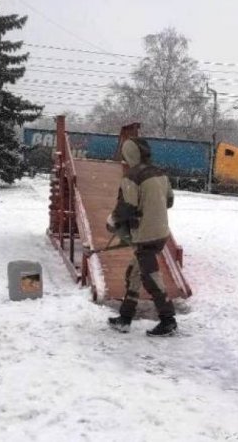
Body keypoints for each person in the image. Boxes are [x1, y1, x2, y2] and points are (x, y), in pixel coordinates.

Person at [106, 137, 177, 337]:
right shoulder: (160, 173)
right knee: (135, 272)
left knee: (150, 277)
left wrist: (112, 221)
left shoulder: (132, 177)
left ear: (129, 154)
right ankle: (125, 318)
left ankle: (168, 319)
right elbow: (169, 201)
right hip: (161, 232)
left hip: (145, 234)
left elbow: (126, 207)